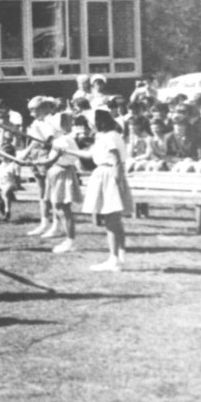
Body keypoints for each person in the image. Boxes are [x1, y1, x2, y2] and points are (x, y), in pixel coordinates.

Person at [58, 109, 132, 272]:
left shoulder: (110, 137)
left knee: (111, 218)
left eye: (90, 122)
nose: (88, 125)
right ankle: (119, 255)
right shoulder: (106, 136)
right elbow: (89, 154)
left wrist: (117, 183)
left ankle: (114, 259)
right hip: (107, 174)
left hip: (109, 175)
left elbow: (117, 160)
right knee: (113, 218)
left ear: (98, 122)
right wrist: (66, 150)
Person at [35, 112, 83, 254]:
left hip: (62, 174)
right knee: (58, 208)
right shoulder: (62, 139)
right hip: (58, 173)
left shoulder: (63, 141)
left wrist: (34, 162)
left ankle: (70, 240)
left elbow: (51, 160)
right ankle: (69, 239)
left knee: (63, 209)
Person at [25, 96, 60, 238]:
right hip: (36, 155)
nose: (32, 113)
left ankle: (56, 225)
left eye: (34, 109)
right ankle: (44, 222)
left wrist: (27, 151)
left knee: (51, 193)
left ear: (44, 107)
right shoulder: (36, 122)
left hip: (47, 155)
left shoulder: (52, 120)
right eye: (30, 110)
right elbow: (33, 141)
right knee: (42, 192)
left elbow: (47, 139)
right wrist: (27, 153)